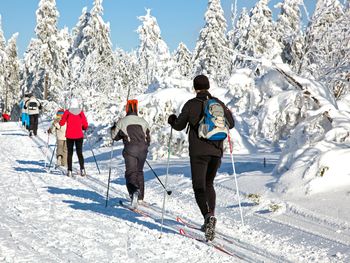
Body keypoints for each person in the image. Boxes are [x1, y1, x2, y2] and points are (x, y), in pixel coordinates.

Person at [167, 74, 234, 241]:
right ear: (208, 86)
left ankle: (207, 217)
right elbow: (231, 123)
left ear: (195, 87)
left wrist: (172, 120)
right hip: (216, 150)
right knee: (209, 184)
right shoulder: (218, 103)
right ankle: (210, 214)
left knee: (198, 187)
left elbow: (179, 126)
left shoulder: (191, 104)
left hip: (198, 152)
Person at [111, 99, 150, 208]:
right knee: (139, 171)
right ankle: (141, 197)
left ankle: (134, 192)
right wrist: (144, 147)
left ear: (127, 108)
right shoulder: (143, 121)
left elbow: (114, 137)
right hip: (143, 150)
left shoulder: (122, 121)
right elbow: (148, 138)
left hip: (130, 150)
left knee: (130, 172)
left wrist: (113, 127)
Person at [59, 98, 88, 177]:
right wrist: (84, 128)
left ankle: (69, 171)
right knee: (79, 153)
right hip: (79, 135)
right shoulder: (80, 112)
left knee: (70, 153)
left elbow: (61, 123)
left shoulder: (67, 112)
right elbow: (85, 124)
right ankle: (82, 169)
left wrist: (60, 122)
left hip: (70, 135)